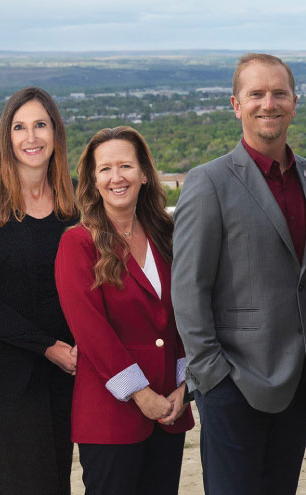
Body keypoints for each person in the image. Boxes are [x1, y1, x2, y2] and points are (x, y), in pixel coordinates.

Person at [172, 53, 306, 495]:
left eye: (278, 93)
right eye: (256, 94)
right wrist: (212, 378)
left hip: (300, 379)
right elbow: (189, 289)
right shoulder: (207, 183)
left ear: (294, 101)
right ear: (236, 104)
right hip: (233, 381)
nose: (268, 103)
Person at [56, 127, 194, 494]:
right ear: (93, 180)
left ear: (144, 174)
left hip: (170, 407)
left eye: (126, 166)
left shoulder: (167, 232)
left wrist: (185, 385)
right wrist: (140, 394)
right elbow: (91, 331)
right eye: (105, 169)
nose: (116, 177)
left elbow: (186, 312)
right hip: (111, 416)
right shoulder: (77, 243)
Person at [0, 86, 80, 494]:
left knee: (58, 478)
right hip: (8, 374)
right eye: (20, 127)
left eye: (40, 125)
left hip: (70, 369)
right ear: (7, 138)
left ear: (56, 133)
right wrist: (50, 347)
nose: (31, 138)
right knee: (25, 482)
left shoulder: (78, 200)